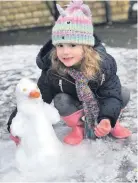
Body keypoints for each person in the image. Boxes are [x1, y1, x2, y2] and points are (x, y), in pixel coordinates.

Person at [7, 0, 131, 145]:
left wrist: (107, 118)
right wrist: (16, 126)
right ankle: (78, 128)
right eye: (60, 45)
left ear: (86, 47)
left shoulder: (103, 65)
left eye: (72, 45)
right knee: (61, 100)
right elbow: (37, 100)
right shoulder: (52, 70)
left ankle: (112, 123)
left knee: (123, 93)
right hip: (75, 106)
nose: (65, 52)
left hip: (100, 102)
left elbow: (111, 94)